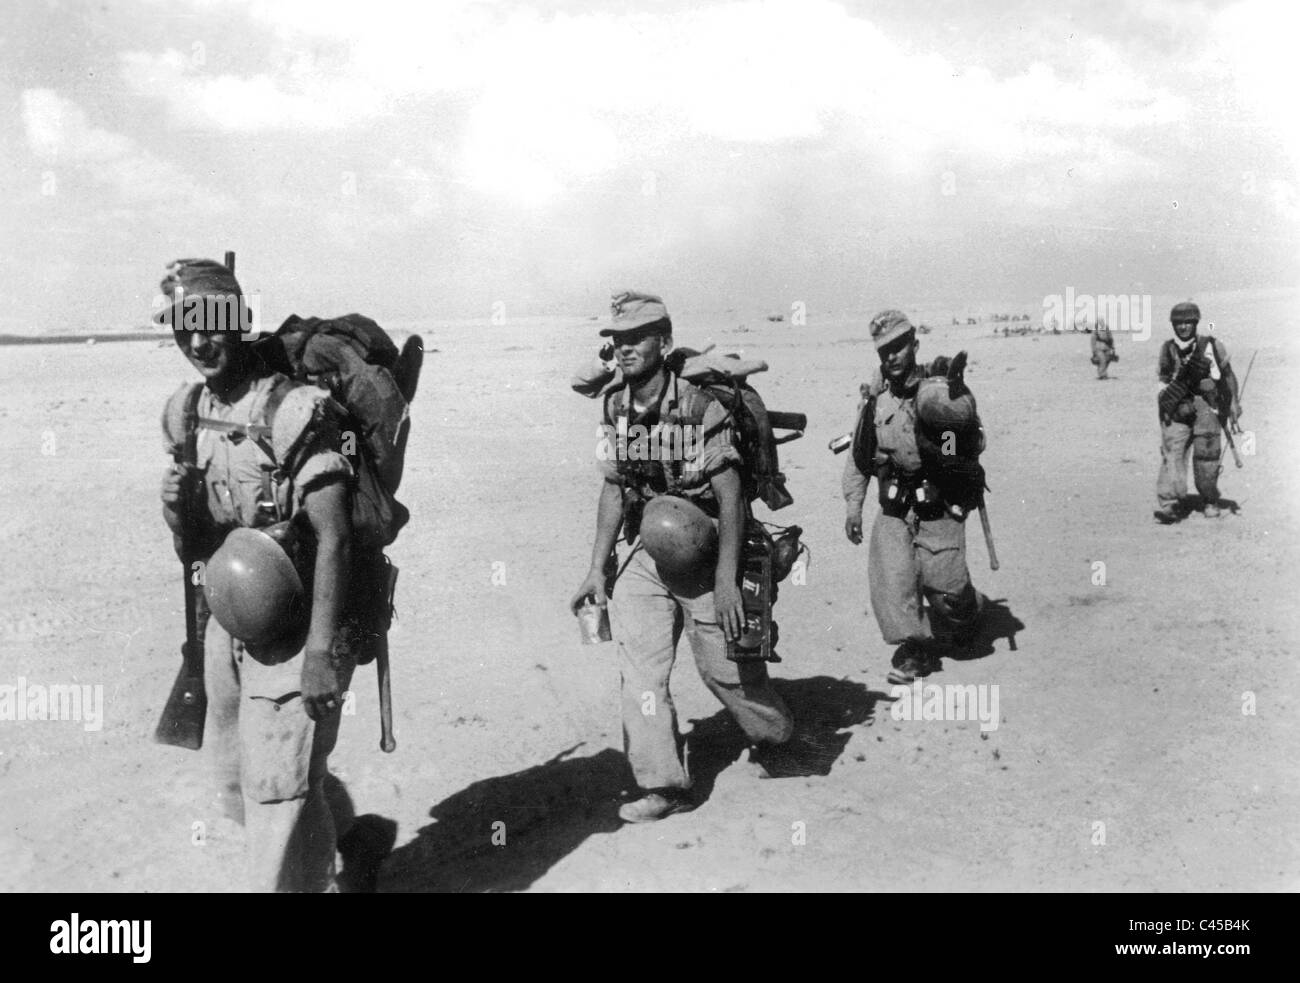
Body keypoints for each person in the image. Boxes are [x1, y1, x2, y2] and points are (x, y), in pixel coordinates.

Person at [156, 257, 378, 891]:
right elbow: (196, 548)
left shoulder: (294, 411)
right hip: (226, 623)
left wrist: (319, 654)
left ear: (240, 321)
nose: (200, 341)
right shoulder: (184, 413)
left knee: (276, 792)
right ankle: (351, 837)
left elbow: (333, 537)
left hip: (300, 620)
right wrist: (177, 513)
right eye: (183, 327)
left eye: (213, 324)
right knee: (233, 777)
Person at [569, 291, 794, 824]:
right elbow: (613, 488)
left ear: (663, 342)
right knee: (641, 676)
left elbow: (732, 495)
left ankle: (778, 737)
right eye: (617, 340)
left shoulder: (698, 404)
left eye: (636, 339)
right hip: (649, 550)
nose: (624, 350)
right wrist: (597, 568)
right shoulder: (617, 406)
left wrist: (725, 581)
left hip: (707, 542)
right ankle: (663, 785)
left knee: (728, 673)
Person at [842, 310, 987, 685]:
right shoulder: (877, 403)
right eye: (883, 351)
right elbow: (859, 457)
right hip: (895, 506)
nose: (891, 357)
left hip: (938, 506)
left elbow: (965, 447)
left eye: (898, 347)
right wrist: (853, 505)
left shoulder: (938, 394)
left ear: (914, 345)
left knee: (951, 602)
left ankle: (967, 609)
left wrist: (948, 432)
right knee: (893, 581)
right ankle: (914, 650)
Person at [1154, 301, 1242, 523]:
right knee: (1172, 453)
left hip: (1206, 408)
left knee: (1207, 455)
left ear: (1195, 323)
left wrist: (1233, 404)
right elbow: (1163, 381)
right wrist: (1166, 409)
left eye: (1188, 322)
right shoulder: (1167, 349)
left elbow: (1228, 375)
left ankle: (1210, 500)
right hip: (1177, 407)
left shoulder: (1211, 345)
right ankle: (1169, 503)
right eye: (1178, 323)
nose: (1183, 327)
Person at [1090, 315, 1117, 380]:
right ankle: (1102, 375)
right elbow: (1093, 340)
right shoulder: (1095, 330)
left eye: (1101, 322)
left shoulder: (1107, 329)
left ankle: (1102, 372)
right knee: (1102, 360)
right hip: (1098, 349)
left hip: (1107, 348)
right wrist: (1093, 350)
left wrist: (1112, 348)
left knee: (1107, 360)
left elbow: (1111, 338)